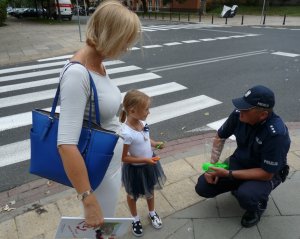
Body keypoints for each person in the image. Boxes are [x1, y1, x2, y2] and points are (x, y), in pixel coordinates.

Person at [57, 0, 141, 229]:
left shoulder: (98, 65)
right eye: (125, 41)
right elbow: (66, 144)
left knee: (105, 229)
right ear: (110, 35)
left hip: (109, 166)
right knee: (98, 231)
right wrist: (88, 199)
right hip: (97, 174)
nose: (126, 48)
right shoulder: (78, 73)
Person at [195, 85, 291, 228]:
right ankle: (240, 184)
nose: (241, 111)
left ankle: (257, 206)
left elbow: (266, 174)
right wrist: (212, 166)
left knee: (247, 195)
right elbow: (219, 137)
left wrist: (229, 174)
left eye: (246, 109)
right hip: (241, 162)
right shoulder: (238, 114)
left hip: (265, 171)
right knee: (203, 186)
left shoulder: (276, 134)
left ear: (263, 114)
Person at [119, 90, 166, 237]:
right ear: (132, 111)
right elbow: (124, 157)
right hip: (135, 169)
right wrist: (144, 160)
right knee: (132, 194)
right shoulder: (126, 133)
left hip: (149, 164)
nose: (149, 112)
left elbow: (145, 139)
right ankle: (135, 219)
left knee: (150, 190)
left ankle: (152, 213)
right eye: (146, 109)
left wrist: (155, 144)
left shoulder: (143, 123)